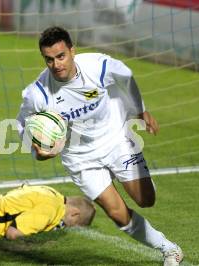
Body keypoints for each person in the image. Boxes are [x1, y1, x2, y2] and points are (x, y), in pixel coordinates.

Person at [16, 26, 183, 266]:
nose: (56, 65)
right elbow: (22, 125)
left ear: (72, 51)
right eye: (49, 59)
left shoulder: (97, 65)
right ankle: (169, 249)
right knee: (116, 213)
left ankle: (134, 175)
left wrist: (140, 109)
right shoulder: (38, 94)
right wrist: (38, 151)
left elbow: (125, 75)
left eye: (61, 56)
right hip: (80, 157)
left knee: (146, 200)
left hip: (116, 140)